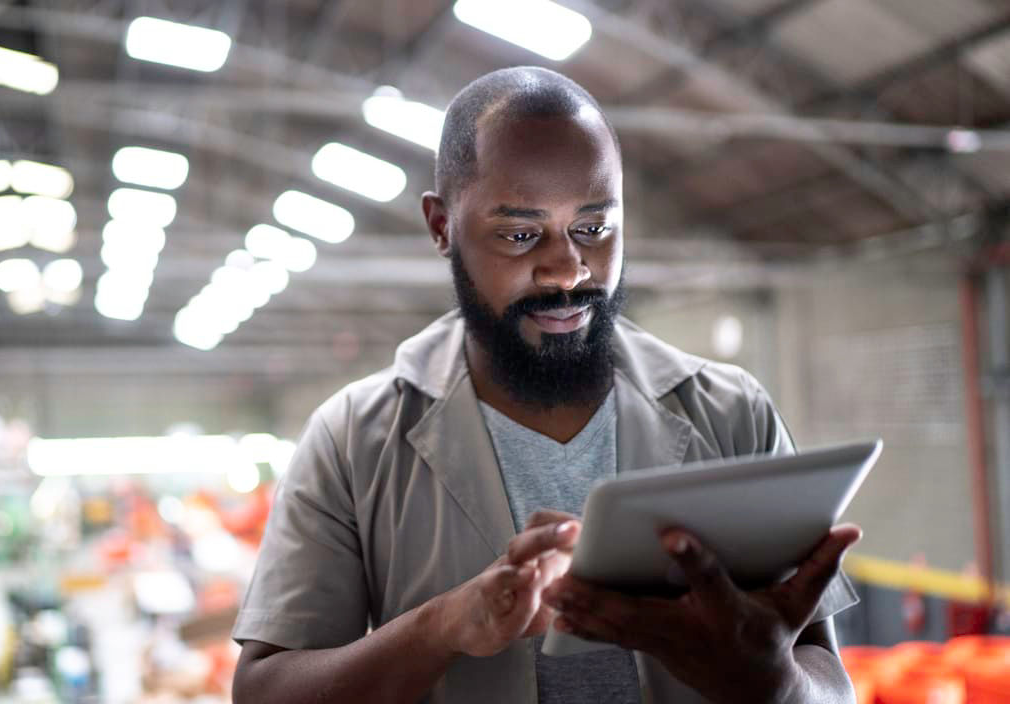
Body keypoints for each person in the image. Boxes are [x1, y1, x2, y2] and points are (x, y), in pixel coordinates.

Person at [231, 66, 861, 704]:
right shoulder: (353, 440)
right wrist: (441, 627)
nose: (567, 270)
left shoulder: (732, 415)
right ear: (442, 226)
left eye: (594, 228)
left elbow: (828, 683)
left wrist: (771, 681)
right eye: (519, 234)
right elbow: (263, 692)